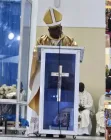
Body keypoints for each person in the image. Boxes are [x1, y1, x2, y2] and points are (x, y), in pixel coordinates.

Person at [28, 8, 77, 138]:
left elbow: (75, 57)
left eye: (59, 28)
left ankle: (63, 129)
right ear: (49, 30)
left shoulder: (69, 41)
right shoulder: (41, 41)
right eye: (55, 29)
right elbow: (36, 58)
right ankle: (47, 128)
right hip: (47, 78)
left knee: (63, 103)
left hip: (64, 79)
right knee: (48, 103)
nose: (59, 31)